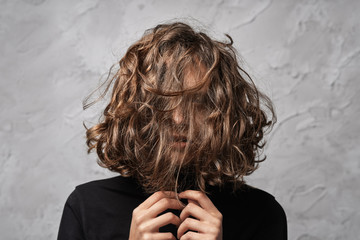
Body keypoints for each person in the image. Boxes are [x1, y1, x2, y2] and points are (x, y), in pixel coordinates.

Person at [57, 22, 287, 240]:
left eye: (196, 103)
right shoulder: (87, 207)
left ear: (222, 112)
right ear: (137, 109)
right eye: (164, 103)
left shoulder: (262, 214)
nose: (178, 119)